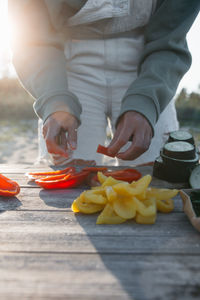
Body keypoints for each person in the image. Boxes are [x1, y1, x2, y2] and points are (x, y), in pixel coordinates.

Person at [9, 0, 200, 166]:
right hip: (64, 68)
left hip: (149, 66)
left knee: (155, 176)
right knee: (66, 174)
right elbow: (30, 33)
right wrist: (54, 96)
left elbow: (172, 33)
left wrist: (148, 99)